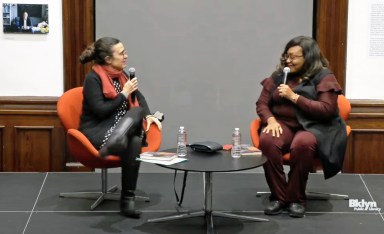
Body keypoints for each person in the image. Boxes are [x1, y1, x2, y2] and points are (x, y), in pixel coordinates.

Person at [255, 36, 347, 218]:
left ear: (309, 57)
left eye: (294, 57)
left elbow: (326, 110)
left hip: (315, 126)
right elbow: (262, 103)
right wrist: (271, 120)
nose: (288, 61)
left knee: (303, 143)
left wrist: (294, 97)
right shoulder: (280, 75)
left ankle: (296, 199)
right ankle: (279, 197)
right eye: (287, 56)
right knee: (267, 140)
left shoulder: (324, 76)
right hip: (284, 124)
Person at [78, 37, 162, 218]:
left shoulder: (123, 75)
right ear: (108, 59)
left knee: (136, 129)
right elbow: (100, 111)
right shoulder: (93, 78)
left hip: (121, 128)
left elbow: (138, 96)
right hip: (98, 130)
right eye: (121, 53)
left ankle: (127, 201)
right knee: (134, 137)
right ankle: (127, 201)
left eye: (125, 52)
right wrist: (124, 94)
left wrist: (149, 115)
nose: (126, 56)